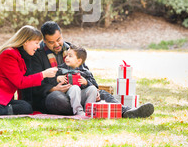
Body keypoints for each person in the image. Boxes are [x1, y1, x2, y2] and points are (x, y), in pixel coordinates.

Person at [21, 21, 154, 118]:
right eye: (51, 42)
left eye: (59, 39)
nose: (57, 44)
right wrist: (53, 88)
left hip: (81, 93)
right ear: (44, 40)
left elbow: (87, 74)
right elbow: (33, 82)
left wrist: (90, 85)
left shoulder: (71, 50)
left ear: (62, 34)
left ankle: (127, 111)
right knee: (56, 99)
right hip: (56, 95)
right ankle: (89, 109)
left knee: (101, 93)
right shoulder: (37, 54)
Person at [53, 44, 99, 116]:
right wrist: (57, 78)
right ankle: (78, 111)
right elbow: (50, 79)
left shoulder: (85, 72)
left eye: (70, 56)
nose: (67, 58)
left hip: (81, 96)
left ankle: (89, 111)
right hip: (66, 97)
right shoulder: (61, 69)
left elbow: (95, 85)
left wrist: (86, 82)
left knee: (92, 89)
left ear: (79, 60)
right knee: (75, 87)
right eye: (67, 55)